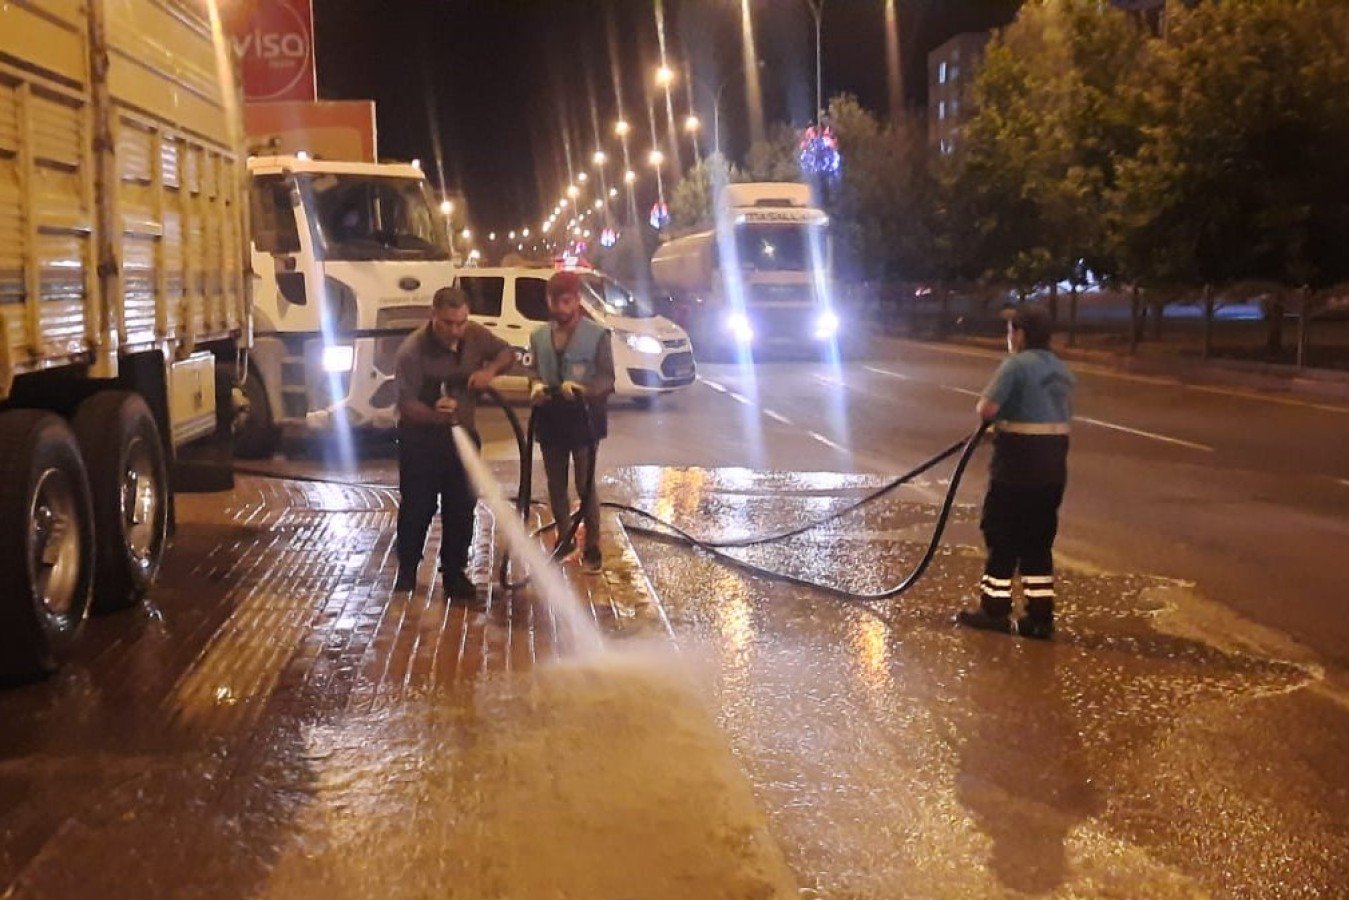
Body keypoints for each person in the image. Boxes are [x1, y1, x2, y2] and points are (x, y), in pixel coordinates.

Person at [956, 305, 1075, 639]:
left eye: (1011, 331)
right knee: (1038, 540)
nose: (1009, 337)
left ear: (1019, 334)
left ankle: (994, 610)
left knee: (1002, 534)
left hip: (1016, 467)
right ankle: (1039, 618)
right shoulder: (1061, 370)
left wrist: (993, 425)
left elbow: (987, 408)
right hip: (1052, 467)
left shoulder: (1016, 366)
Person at [394, 286, 515, 598]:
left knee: (461, 506)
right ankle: (407, 571)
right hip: (421, 440)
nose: (455, 330)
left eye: (461, 322)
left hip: (462, 437)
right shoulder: (412, 351)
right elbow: (406, 404)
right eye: (448, 323)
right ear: (433, 316)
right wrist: (437, 414)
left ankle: (454, 573)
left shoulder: (474, 336)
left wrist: (489, 371)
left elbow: (507, 353)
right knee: (417, 507)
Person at [528, 270, 616, 574]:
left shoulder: (597, 335)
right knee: (555, 482)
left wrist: (585, 391)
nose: (560, 308)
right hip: (551, 417)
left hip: (585, 418)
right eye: (555, 301)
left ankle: (592, 544)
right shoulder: (538, 336)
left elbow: (608, 378)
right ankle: (565, 537)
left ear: (577, 300)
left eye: (566, 301)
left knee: (584, 483)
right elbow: (534, 372)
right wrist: (535, 387)